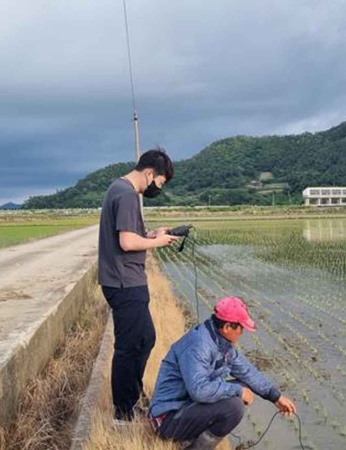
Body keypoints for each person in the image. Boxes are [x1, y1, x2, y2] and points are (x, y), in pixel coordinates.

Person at [149, 296, 297, 450]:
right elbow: (199, 390)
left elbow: (246, 371)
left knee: (242, 385)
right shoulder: (199, 345)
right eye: (241, 328)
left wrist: (276, 397)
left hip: (186, 407)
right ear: (227, 327)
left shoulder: (222, 343)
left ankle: (191, 439)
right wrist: (238, 391)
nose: (242, 333)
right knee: (233, 406)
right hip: (168, 418)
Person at [98, 147, 179, 423]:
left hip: (124, 280)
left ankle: (132, 397)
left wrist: (152, 233)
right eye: (160, 182)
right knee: (129, 346)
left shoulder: (119, 190)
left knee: (144, 339)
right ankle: (123, 413)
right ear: (149, 173)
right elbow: (127, 243)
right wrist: (157, 243)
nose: (159, 188)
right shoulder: (127, 194)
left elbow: (132, 235)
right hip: (124, 282)